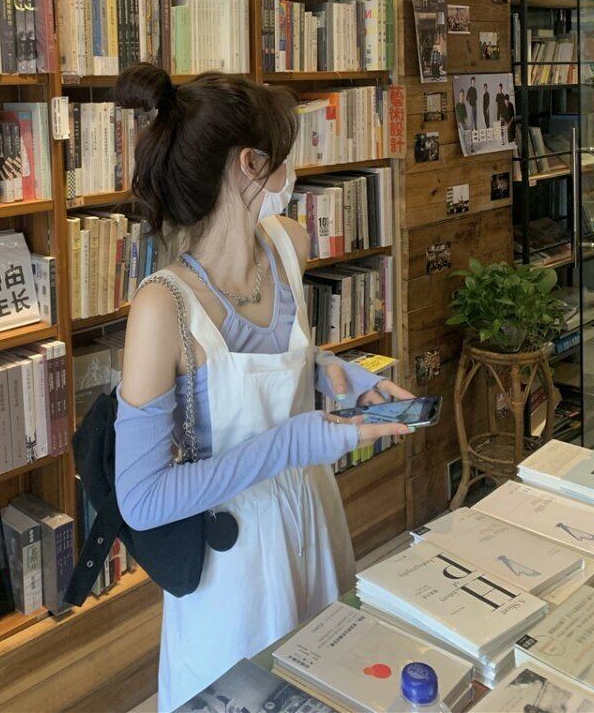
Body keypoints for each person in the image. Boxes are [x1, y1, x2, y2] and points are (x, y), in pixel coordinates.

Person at [113, 64, 415, 712]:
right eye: (281, 155)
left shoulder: (287, 246)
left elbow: (272, 363)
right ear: (250, 164)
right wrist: (295, 441)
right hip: (233, 569)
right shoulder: (163, 306)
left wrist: (332, 372)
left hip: (316, 522)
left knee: (334, 681)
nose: (290, 171)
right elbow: (141, 498)